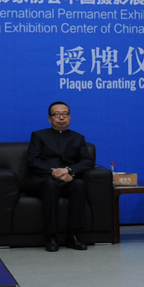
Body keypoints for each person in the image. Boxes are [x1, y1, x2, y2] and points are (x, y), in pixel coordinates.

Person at [28, 101, 96, 252]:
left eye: (65, 114)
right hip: (42, 180)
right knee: (50, 184)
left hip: (67, 179)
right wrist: (54, 174)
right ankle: (51, 237)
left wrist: (68, 170)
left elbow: (87, 161)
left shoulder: (78, 138)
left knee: (79, 184)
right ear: (49, 118)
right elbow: (33, 161)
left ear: (70, 117)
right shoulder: (38, 136)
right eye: (57, 114)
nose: (61, 118)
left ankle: (73, 236)